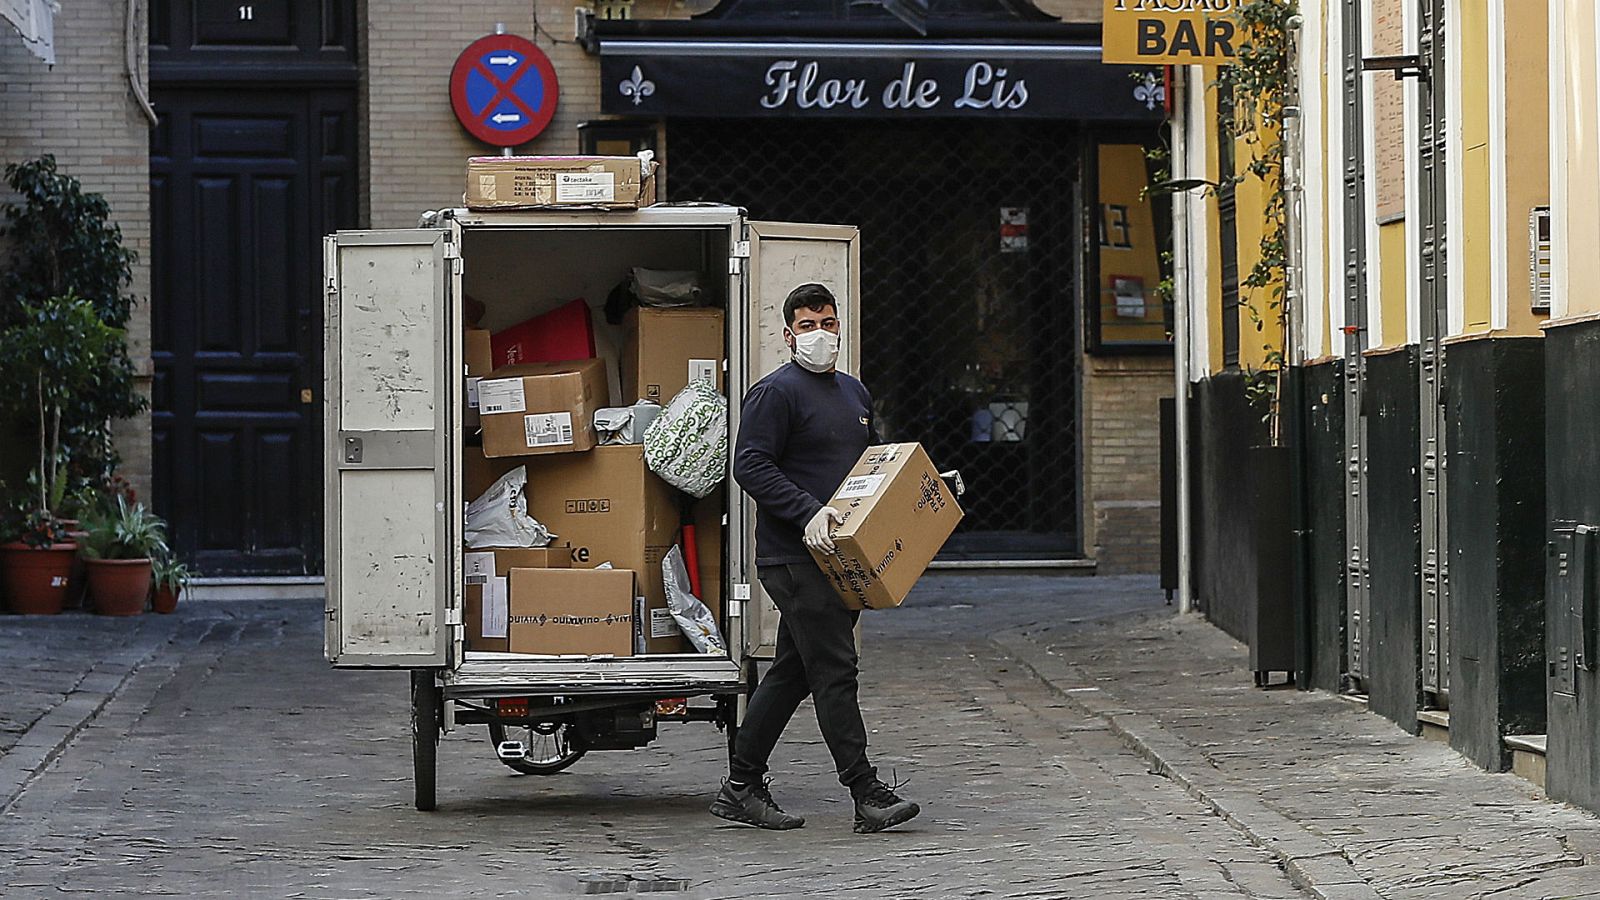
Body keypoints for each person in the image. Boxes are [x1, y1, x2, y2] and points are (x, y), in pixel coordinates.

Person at [709, 282, 920, 834]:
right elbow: (750, 465)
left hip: (840, 554)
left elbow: (864, 471)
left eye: (827, 322)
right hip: (795, 556)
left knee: (792, 673)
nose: (820, 334)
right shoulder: (774, 393)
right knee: (835, 668)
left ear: (839, 327)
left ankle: (740, 786)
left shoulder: (854, 394)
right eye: (807, 325)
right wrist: (807, 513)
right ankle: (865, 790)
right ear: (787, 335)